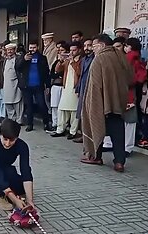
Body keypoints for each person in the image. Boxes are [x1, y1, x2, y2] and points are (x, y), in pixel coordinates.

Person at [81, 34, 133, 172]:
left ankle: (96, 156)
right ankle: (119, 162)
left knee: (96, 125)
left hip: (102, 101)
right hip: (118, 101)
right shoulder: (120, 56)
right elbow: (130, 77)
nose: (93, 49)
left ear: (102, 45)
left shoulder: (99, 59)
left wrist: (92, 102)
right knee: (118, 131)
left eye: (95, 46)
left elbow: (95, 85)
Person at [16, 40, 52, 132]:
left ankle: (46, 123)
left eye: (34, 48)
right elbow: (17, 68)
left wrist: (48, 85)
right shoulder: (23, 57)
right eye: (31, 48)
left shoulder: (42, 58)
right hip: (27, 86)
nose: (32, 50)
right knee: (29, 106)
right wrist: (24, 60)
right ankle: (30, 124)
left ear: (38, 47)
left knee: (42, 104)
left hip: (38, 86)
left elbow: (46, 72)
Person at [51, 41, 83, 140]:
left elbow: (79, 72)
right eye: (71, 50)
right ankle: (60, 129)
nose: (72, 52)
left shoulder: (81, 60)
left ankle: (73, 132)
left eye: (74, 50)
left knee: (74, 111)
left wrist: (73, 62)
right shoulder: (67, 60)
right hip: (66, 88)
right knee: (62, 109)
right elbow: (58, 70)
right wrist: (60, 61)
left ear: (79, 50)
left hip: (75, 88)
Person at [73, 38, 95, 144]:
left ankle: (89, 136)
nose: (87, 48)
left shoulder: (95, 59)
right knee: (82, 112)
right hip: (82, 87)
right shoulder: (84, 59)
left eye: (89, 45)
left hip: (91, 88)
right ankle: (83, 135)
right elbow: (80, 75)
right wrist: (78, 87)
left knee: (90, 113)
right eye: (85, 46)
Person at [2, 43, 24, 125]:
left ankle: (19, 120)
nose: (10, 51)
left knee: (17, 102)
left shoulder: (18, 58)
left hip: (16, 83)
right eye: (8, 50)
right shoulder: (5, 59)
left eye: (11, 49)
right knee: (8, 102)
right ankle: (12, 119)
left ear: (14, 50)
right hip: (7, 84)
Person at [49, 43, 69, 131]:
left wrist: (59, 75)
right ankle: (55, 123)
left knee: (63, 108)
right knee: (54, 106)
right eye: (59, 50)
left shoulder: (69, 61)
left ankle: (63, 125)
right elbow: (52, 74)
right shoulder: (57, 62)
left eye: (62, 50)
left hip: (65, 87)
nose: (60, 52)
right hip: (55, 86)